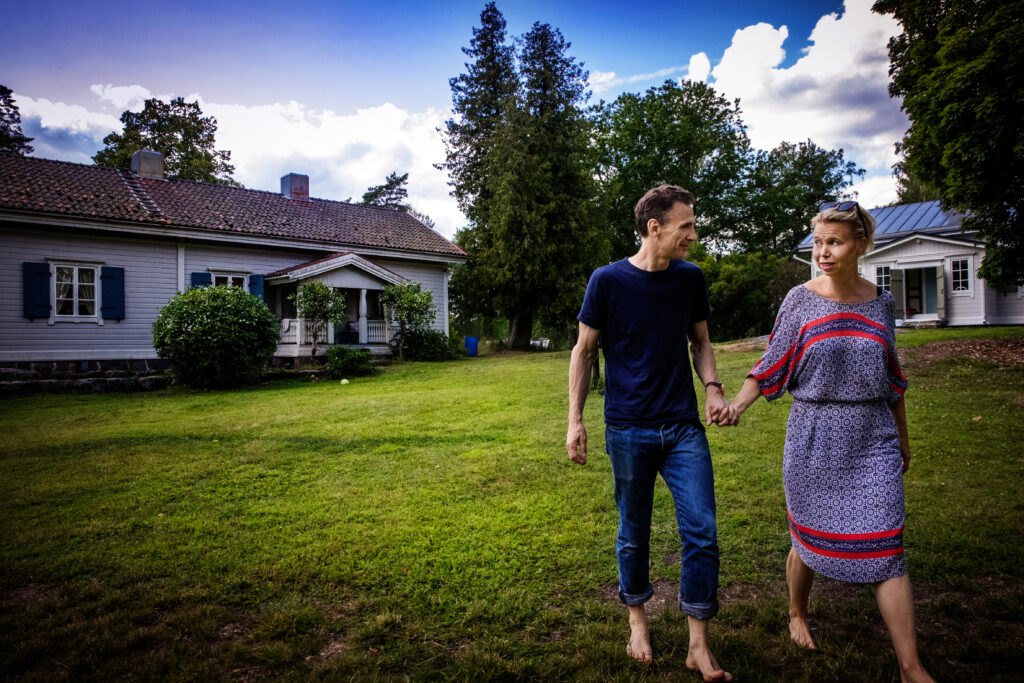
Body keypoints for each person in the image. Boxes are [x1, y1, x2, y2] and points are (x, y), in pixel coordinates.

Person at [723, 201, 935, 683]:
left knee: (888, 544)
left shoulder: (880, 302)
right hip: (814, 434)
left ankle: (911, 667)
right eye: (818, 242)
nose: (823, 251)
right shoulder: (800, 299)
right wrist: (736, 404)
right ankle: (797, 611)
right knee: (808, 536)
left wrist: (902, 436)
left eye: (834, 242)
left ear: (861, 245)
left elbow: (891, 376)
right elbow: (772, 363)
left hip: (872, 435)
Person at [567, 185, 732, 680]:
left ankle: (697, 644)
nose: (693, 235)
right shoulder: (607, 281)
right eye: (686, 226)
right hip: (627, 427)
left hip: (683, 426)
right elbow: (584, 351)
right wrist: (575, 420)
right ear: (654, 228)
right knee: (633, 534)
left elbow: (700, 340)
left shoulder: (690, 279)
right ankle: (637, 620)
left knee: (701, 530)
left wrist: (714, 388)